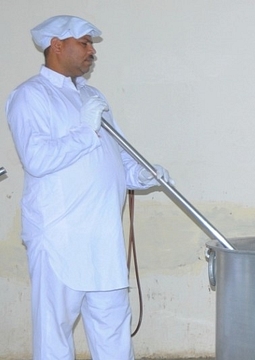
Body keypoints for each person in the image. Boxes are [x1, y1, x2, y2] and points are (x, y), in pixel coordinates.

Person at [6, 15, 173, 360]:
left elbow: (118, 159)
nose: (92, 51)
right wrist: (84, 130)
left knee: (113, 329)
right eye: (84, 43)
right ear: (56, 45)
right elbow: (37, 159)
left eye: (92, 44)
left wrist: (141, 175)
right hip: (59, 237)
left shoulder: (92, 95)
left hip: (104, 238)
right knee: (54, 335)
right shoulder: (29, 96)